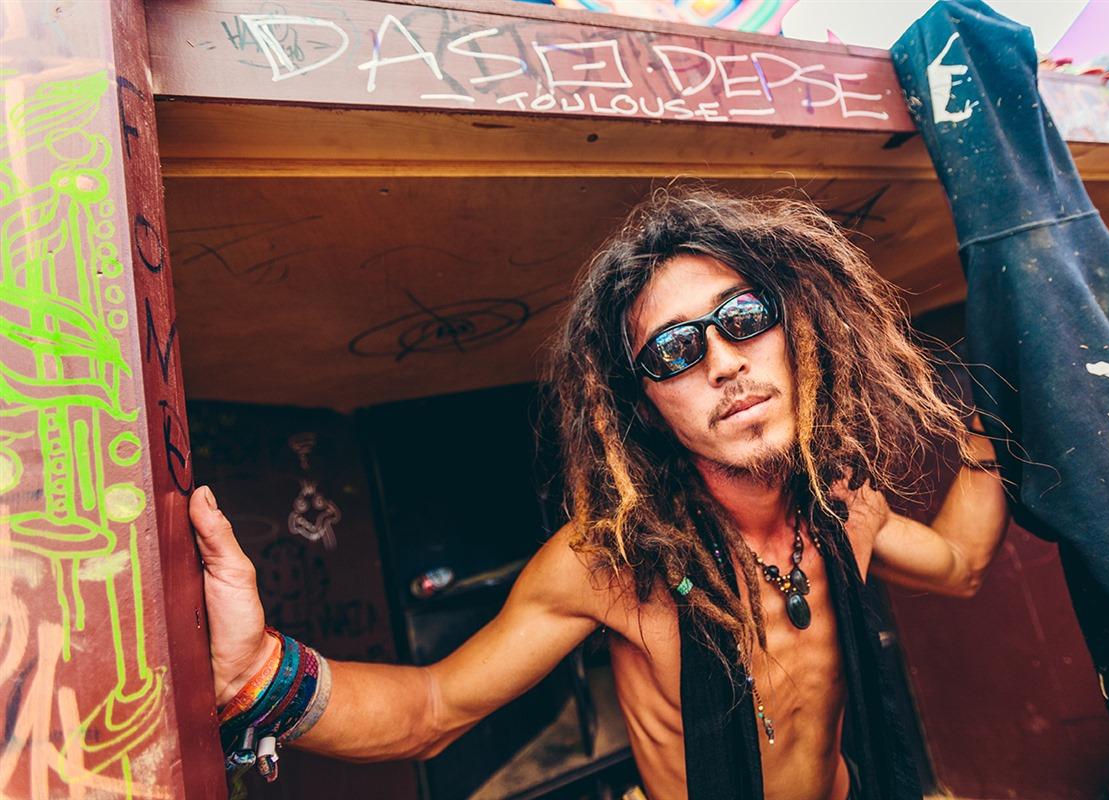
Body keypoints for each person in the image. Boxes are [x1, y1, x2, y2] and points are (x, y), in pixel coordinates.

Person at [190, 188, 1009, 800]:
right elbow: (433, 707)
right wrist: (259, 673)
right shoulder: (611, 565)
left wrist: (996, 421)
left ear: (795, 331)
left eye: (744, 316)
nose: (724, 361)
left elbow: (963, 564)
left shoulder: (844, 506)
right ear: (643, 406)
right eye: (674, 351)